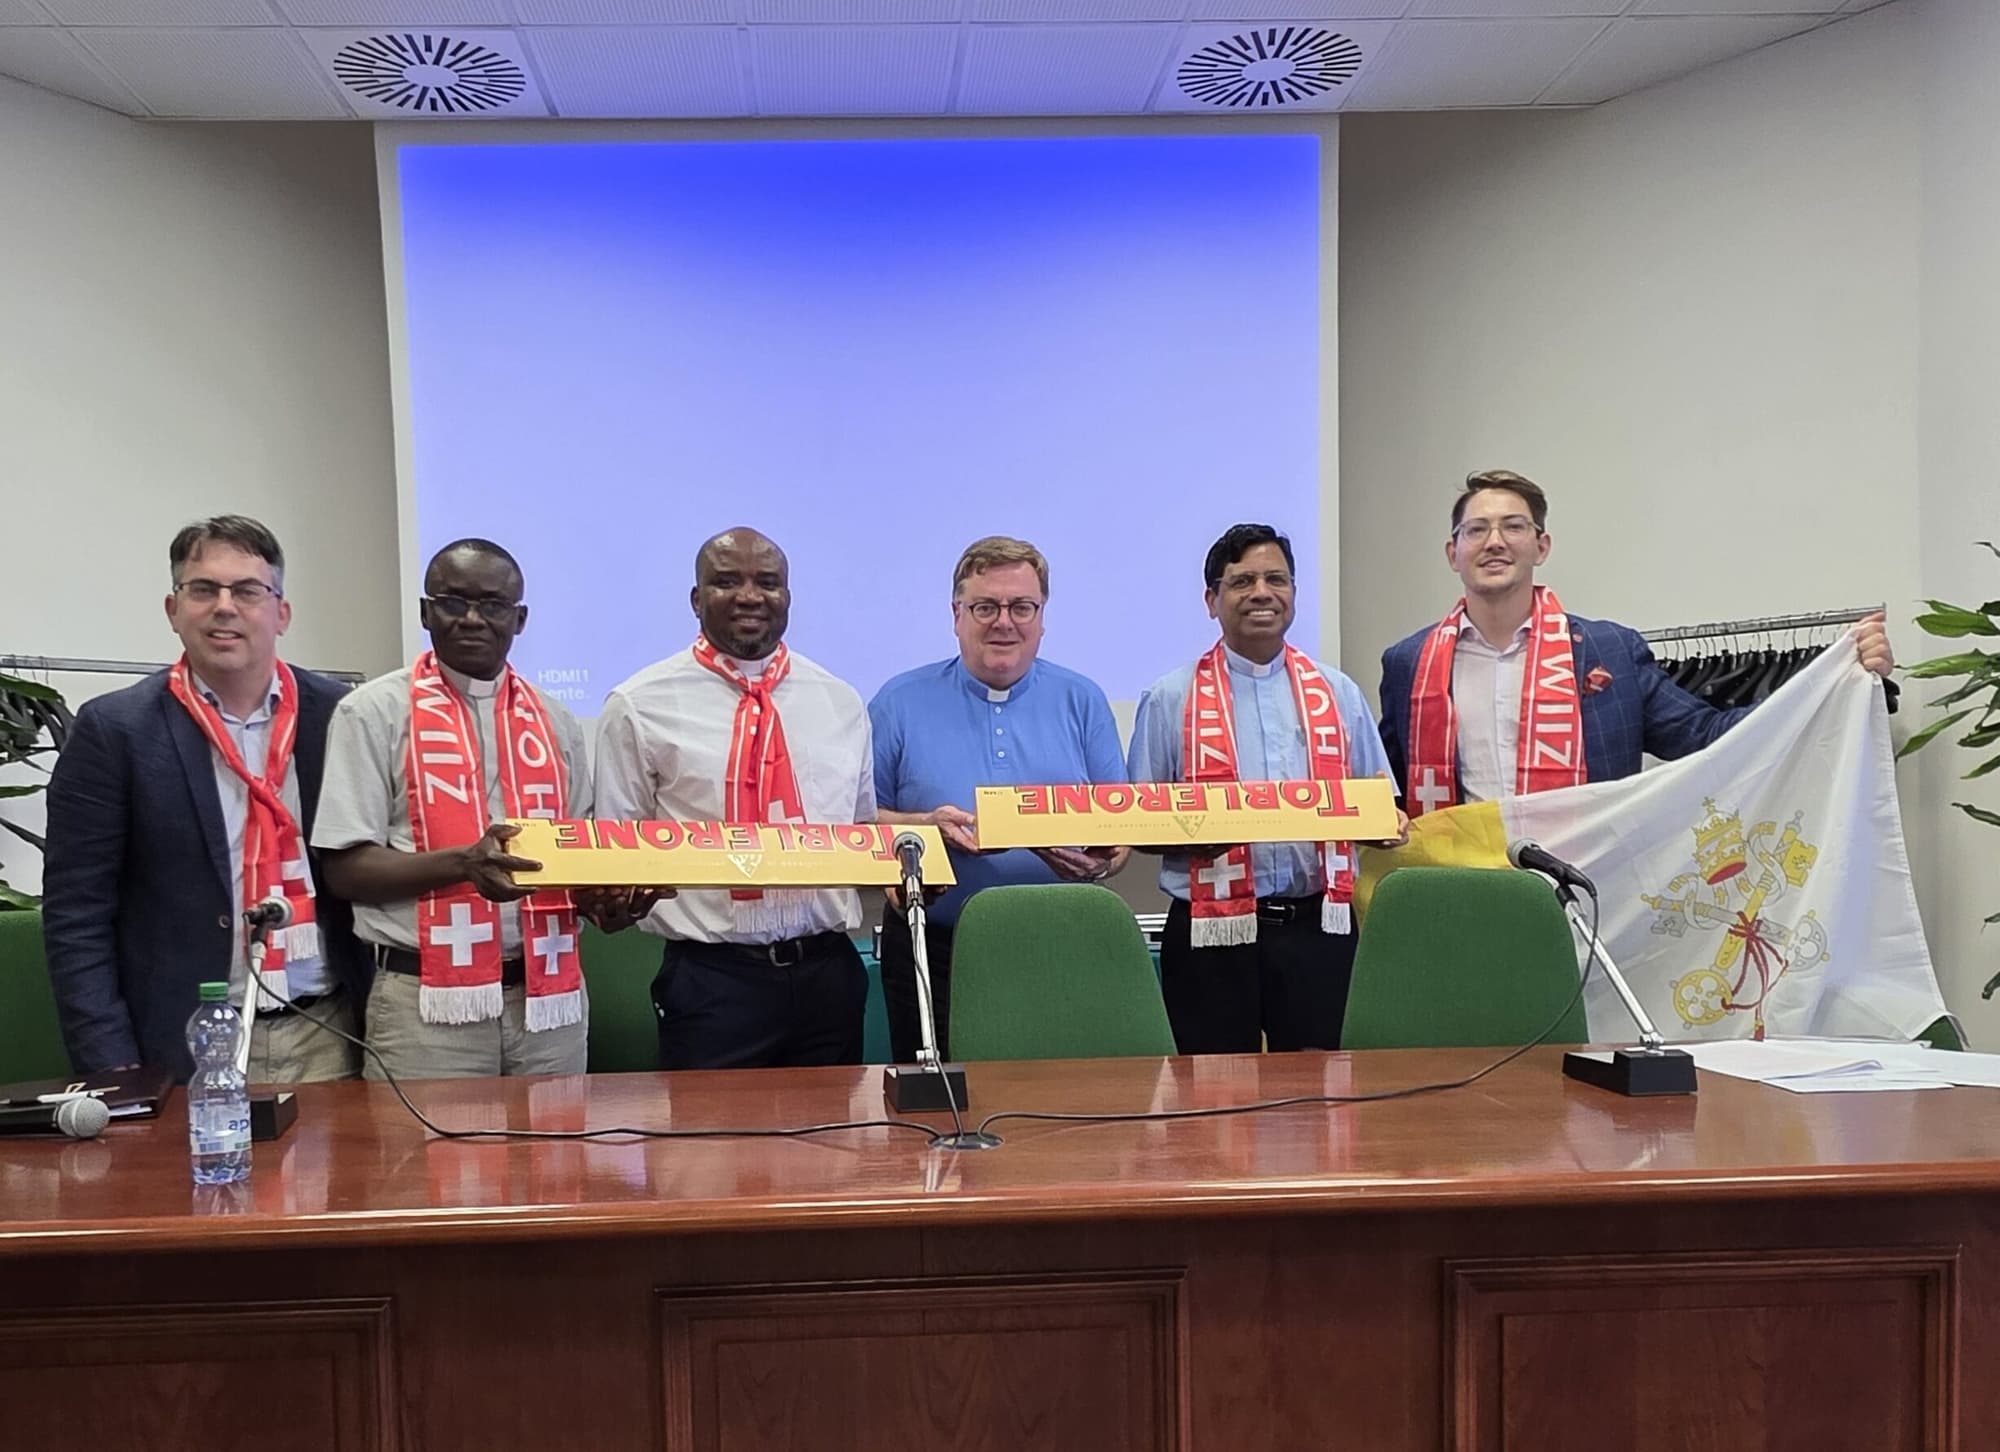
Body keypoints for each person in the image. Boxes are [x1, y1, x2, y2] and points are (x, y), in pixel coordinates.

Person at [312, 539, 649, 1080]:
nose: (472, 618)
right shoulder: (371, 711)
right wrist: (463, 865)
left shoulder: (557, 721)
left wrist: (610, 904)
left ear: (519, 619)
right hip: (425, 1007)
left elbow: (574, 860)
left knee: (556, 1164)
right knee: (426, 1164)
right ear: (425, 611)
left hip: (548, 1003)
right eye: (453, 601)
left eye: (492, 605)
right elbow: (345, 871)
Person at [42, 516, 365, 1081]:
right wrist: (111, 1063)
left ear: (281, 613)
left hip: (329, 1034)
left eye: (247, 590)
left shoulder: (341, 715)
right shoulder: (115, 730)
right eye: (202, 589)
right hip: (184, 1044)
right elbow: (77, 914)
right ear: (173, 609)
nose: (224, 606)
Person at [1377, 470, 1896, 814]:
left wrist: (1832, 677)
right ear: (1453, 552)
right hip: (1456, 890)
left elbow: (1706, 733)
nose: (1494, 542)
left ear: (1542, 545)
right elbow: (1392, 787)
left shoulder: (1609, 652)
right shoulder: (1409, 664)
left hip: (1579, 890)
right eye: (1476, 530)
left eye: (1513, 527)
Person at [594, 527, 876, 1070]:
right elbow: (616, 848)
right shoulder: (638, 704)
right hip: (712, 981)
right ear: (697, 600)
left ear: (788, 598)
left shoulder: (839, 701)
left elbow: (859, 831)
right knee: (709, 1152)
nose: (750, 595)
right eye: (727, 581)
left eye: (767, 582)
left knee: (836, 1149)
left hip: (828, 976)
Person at [1128, 523, 1406, 1056]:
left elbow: (1379, 802)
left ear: (1294, 594)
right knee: (1207, 1097)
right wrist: (1189, 836)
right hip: (1209, 934)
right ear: (1212, 600)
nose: (1261, 592)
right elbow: (1141, 821)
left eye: (1276, 578)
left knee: (1324, 1096)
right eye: (1242, 581)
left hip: (1317, 928)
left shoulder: (1337, 692)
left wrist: (1387, 825)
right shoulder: (1170, 698)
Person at [869, 536, 1128, 1063]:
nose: (1003, 622)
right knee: (939, 1113)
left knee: (1067, 1115)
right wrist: (924, 827)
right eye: (985, 606)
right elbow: (857, 824)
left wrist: (1101, 859)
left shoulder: (1083, 700)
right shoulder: (897, 701)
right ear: (956, 614)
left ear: (1042, 616)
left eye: (1021, 607)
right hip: (935, 953)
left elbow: (1121, 831)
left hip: (1063, 949)